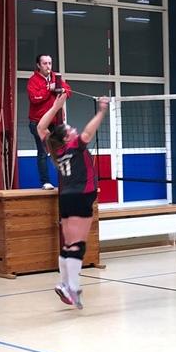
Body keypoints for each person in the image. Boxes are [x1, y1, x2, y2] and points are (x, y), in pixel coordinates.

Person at [38, 91, 109, 309]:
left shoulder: (55, 149)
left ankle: (65, 284)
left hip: (66, 197)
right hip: (82, 196)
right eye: (71, 130)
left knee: (69, 244)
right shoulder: (75, 145)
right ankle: (71, 287)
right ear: (68, 137)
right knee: (77, 245)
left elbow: (41, 128)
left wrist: (56, 106)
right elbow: (88, 133)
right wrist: (102, 111)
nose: (74, 130)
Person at [27, 54, 71, 190]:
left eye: (50, 63)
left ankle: (66, 181)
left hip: (55, 123)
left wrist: (62, 89)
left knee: (62, 151)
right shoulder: (33, 80)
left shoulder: (56, 78)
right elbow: (35, 98)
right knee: (43, 151)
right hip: (38, 123)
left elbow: (68, 91)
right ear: (38, 65)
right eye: (45, 63)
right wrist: (48, 89)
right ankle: (45, 182)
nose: (48, 66)